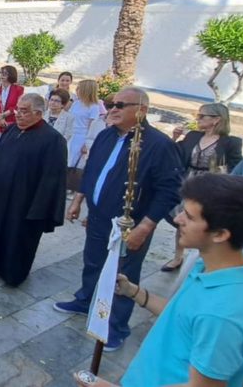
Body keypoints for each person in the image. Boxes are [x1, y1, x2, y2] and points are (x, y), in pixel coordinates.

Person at [76, 174, 243, 387]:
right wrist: (133, 291)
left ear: (220, 234)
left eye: (189, 217)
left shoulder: (223, 316)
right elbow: (181, 315)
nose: (178, 219)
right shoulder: (209, 268)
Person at [54, 87, 183, 351]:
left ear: (142, 110)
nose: (113, 108)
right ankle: (86, 299)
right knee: (92, 261)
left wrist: (146, 226)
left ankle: (116, 326)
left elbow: (169, 191)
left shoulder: (159, 145)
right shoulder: (105, 136)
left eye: (121, 105)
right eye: (112, 103)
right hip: (99, 218)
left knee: (122, 275)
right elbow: (91, 171)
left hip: (131, 225)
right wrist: (80, 201)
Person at [0, 94, 67, 286]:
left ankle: (12, 274)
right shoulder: (11, 130)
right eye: (18, 109)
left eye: (24, 111)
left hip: (24, 204)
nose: (18, 114)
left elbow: (52, 178)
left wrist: (39, 209)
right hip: (0, 197)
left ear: (38, 113)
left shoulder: (53, 140)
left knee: (16, 239)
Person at [162, 103, 243, 272]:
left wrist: (224, 176)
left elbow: (237, 167)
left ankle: (203, 260)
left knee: (205, 224)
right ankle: (178, 256)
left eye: (201, 116)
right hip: (188, 183)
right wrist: (174, 138)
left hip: (211, 186)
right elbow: (175, 154)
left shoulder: (230, 143)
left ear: (216, 119)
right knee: (182, 221)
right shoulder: (193, 136)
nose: (197, 119)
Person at [0, 65, 24, 164]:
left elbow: (18, 105)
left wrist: (4, 115)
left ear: (11, 75)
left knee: (7, 151)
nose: (2, 75)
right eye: (1, 73)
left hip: (9, 123)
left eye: (5, 73)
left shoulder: (19, 89)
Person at [67, 79, 105, 170]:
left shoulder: (94, 107)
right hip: (71, 134)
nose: (77, 90)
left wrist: (86, 145)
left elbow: (92, 127)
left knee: (74, 162)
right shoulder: (76, 103)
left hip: (81, 137)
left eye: (79, 88)